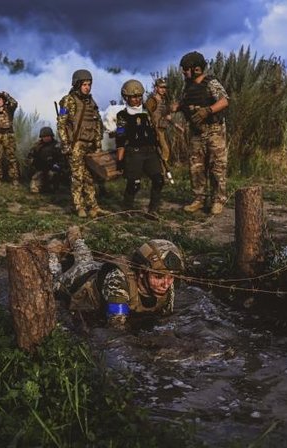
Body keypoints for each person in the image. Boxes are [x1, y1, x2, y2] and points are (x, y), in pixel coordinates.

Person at [47, 226, 184, 329]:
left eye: (172, 277)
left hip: (98, 270)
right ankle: (54, 250)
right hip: (79, 280)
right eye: (158, 277)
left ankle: (74, 237)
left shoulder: (167, 283)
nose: (166, 284)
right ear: (142, 272)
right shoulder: (118, 282)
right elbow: (116, 325)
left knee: (84, 257)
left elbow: (165, 318)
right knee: (53, 278)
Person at [173, 51, 230, 215]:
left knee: (217, 167)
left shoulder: (211, 82)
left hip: (214, 131)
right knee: (196, 167)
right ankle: (199, 199)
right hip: (196, 132)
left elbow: (225, 100)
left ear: (196, 69)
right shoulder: (188, 87)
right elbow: (185, 103)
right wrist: (177, 107)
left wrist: (208, 110)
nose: (183, 72)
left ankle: (218, 201)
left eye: (186, 69)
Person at [56, 69, 109, 218]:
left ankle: (93, 207)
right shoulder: (68, 100)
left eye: (89, 84)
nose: (87, 87)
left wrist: (98, 144)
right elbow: (61, 124)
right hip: (75, 145)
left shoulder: (91, 102)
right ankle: (78, 206)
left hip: (89, 145)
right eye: (84, 84)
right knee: (77, 176)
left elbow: (97, 124)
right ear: (77, 84)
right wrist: (65, 143)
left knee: (90, 177)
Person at [115, 79, 166, 216]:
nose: (137, 99)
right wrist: (120, 160)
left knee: (159, 180)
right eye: (133, 97)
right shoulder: (122, 116)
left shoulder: (147, 111)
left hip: (150, 151)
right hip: (134, 153)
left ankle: (153, 210)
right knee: (134, 184)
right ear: (126, 97)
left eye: (139, 96)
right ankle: (127, 209)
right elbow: (120, 139)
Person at [27, 126, 67, 194]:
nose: (46, 138)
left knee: (53, 176)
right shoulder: (37, 146)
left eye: (48, 136)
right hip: (41, 170)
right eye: (44, 136)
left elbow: (63, 160)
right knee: (34, 189)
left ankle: (54, 188)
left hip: (53, 171)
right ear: (41, 137)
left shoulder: (57, 146)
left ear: (51, 136)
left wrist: (57, 165)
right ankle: (43, 187)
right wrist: (34, 163)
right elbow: (29, 157)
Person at [144, 77, 173, 164]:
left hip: (164, 128)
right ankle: (162, 168)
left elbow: (167, 113)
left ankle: (164, 167)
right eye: (161, 87)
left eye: (164, 88)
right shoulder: (152, 100)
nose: (163, 90)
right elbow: (146, 115)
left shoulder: (164, 100)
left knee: (166, 150)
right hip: (156, 129)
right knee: (164, 150)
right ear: (156, 88)